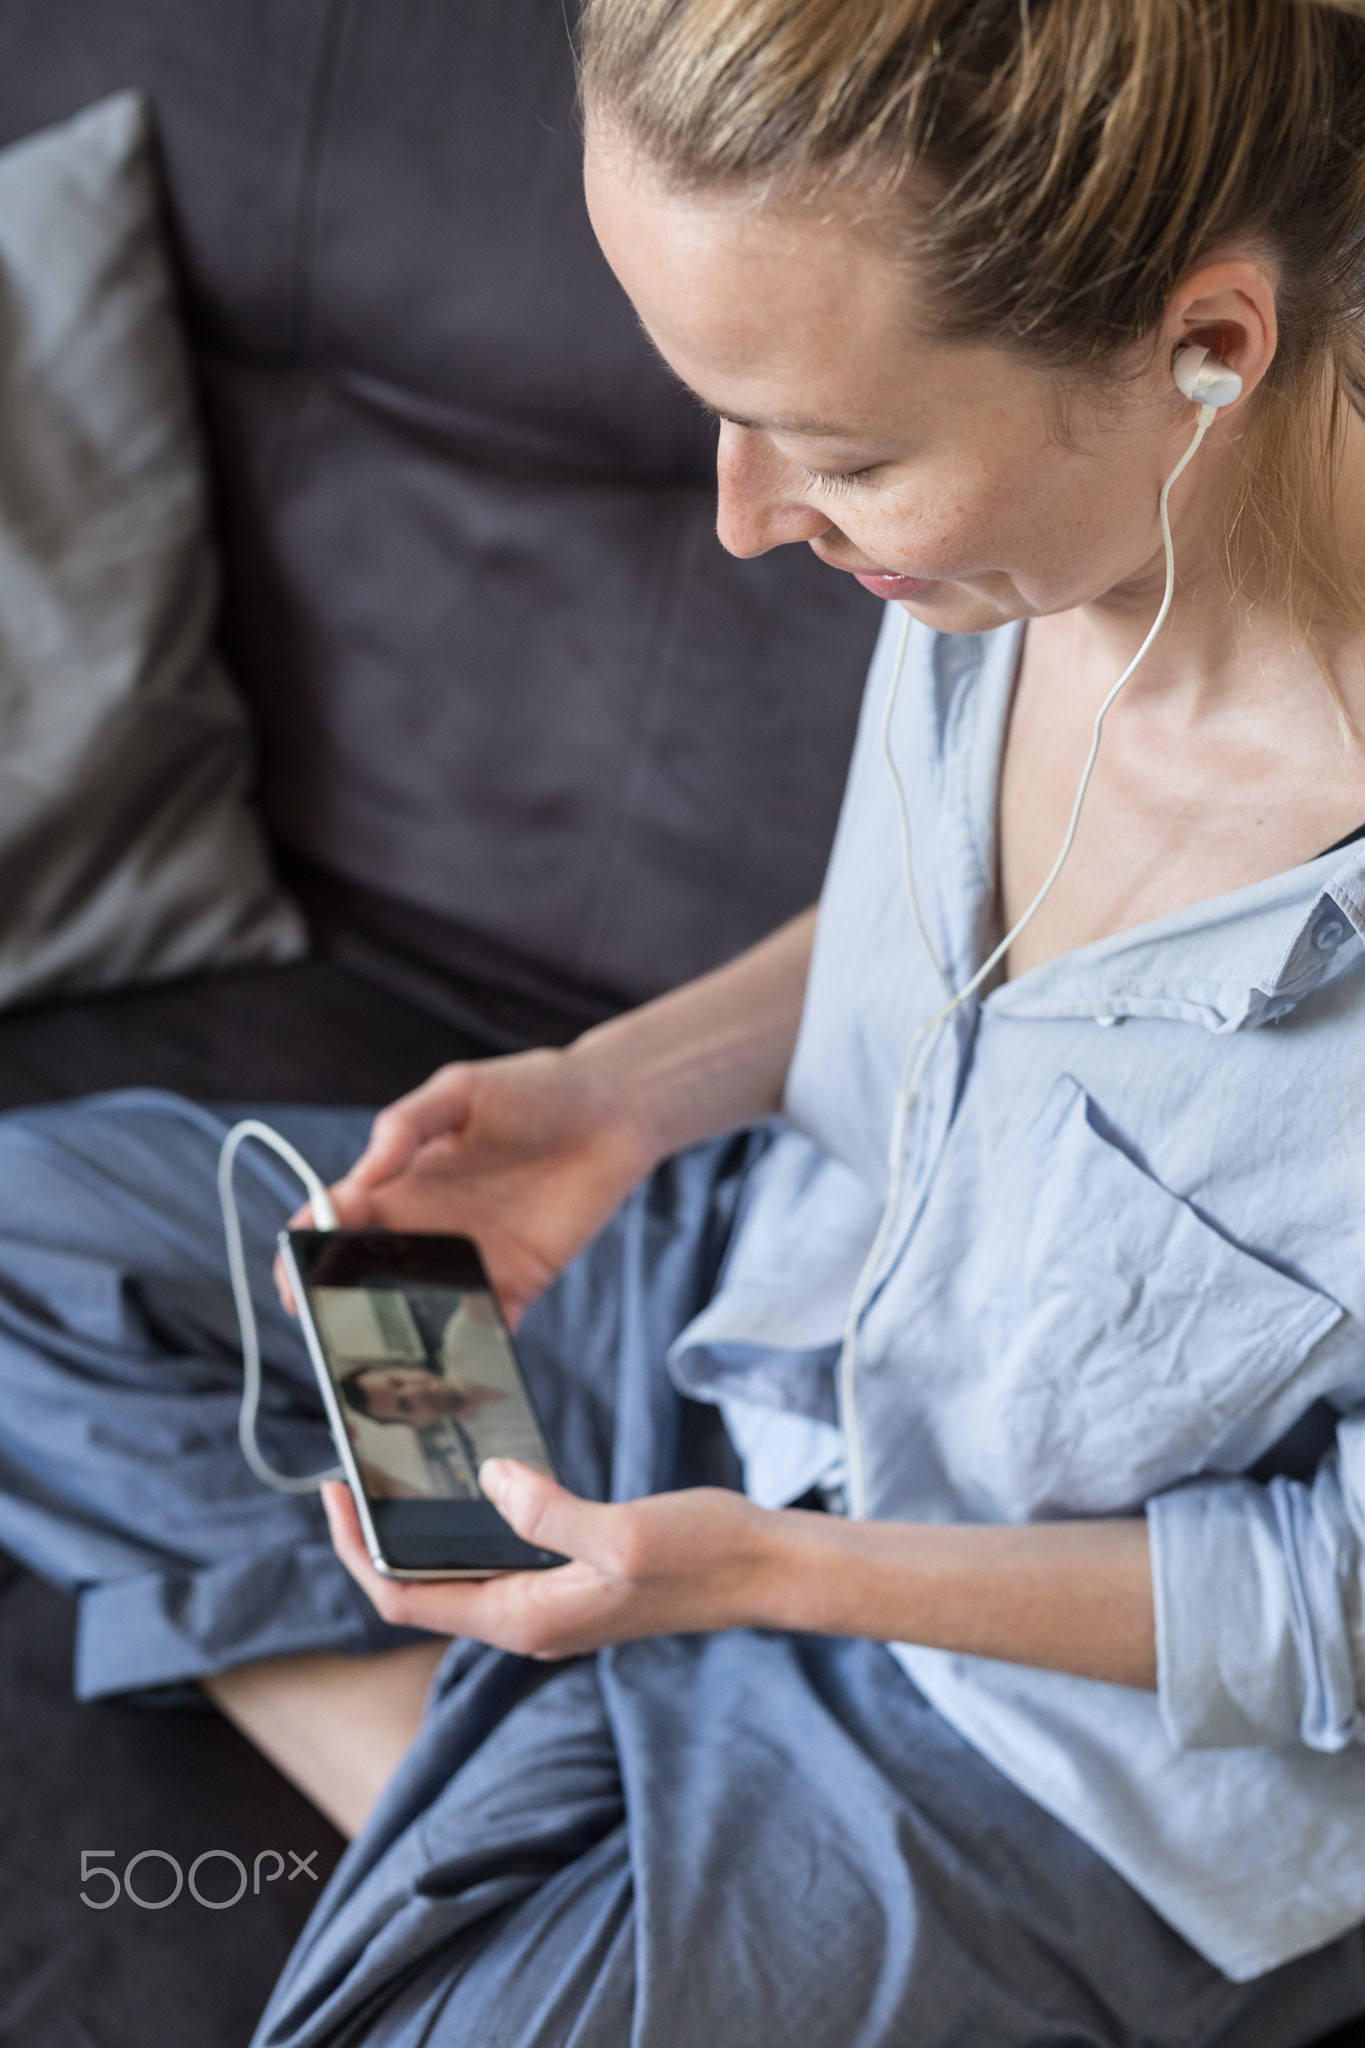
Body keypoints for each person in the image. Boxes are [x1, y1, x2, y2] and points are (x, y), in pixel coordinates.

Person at [2, 1, 1365, 2039]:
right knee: (37, 1231)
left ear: (1206, 349)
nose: (741, 515)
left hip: (1049, 1728)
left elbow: (1326, 1595)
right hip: (753, 1316)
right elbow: (970, 951)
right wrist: (616, 1096)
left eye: (834, 450)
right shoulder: (1027, 544)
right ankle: (546, 1747)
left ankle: (530, 1772)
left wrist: (761, 1577)